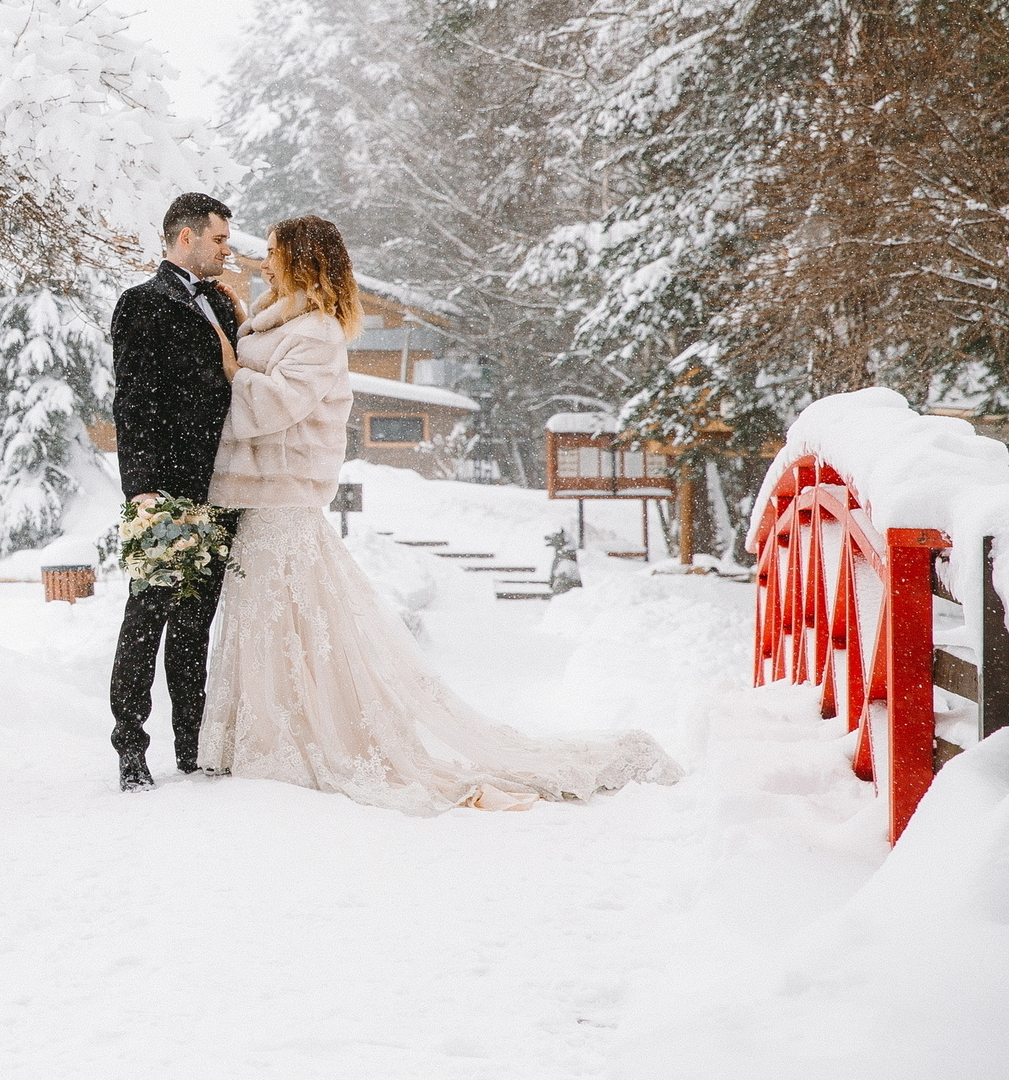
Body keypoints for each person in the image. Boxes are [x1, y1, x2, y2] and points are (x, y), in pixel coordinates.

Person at [196, 214, 682, 813]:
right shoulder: (284, 323)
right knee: (280, 630)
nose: (262, 262)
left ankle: (299, 741)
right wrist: (241, 328)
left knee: (297, 630)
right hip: (263, 503)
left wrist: (228, 364)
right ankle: (276, 737)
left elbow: (275, 405)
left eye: (273, 253)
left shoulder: (318, 332)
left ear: (300, 261)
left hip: (285, 506)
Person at [107, 190, 244, 790]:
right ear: (184, 238)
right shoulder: (141, 303)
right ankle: (130, 748)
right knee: (147, 617)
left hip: (222, 484)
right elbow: (132, 402)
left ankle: (192, 746)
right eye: (219, 239)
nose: (227, 249)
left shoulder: (224, 302)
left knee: (196, 621)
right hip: (164, 487)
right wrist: (140, 489)